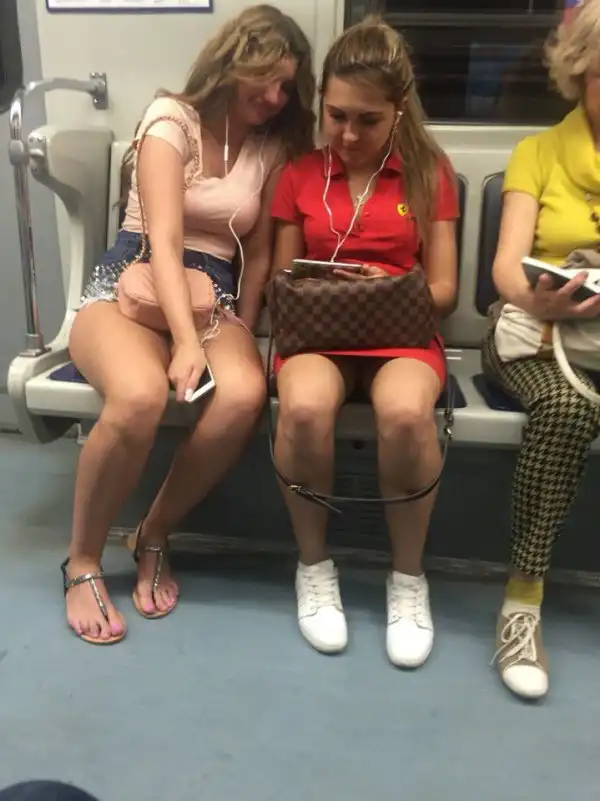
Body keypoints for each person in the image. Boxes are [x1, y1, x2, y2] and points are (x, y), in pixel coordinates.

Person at [62, 4, 316, 645]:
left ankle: (152, 533)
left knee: (244, 396)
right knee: (139, 396)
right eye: (266, 77)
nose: (275, 96)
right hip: (134, 277)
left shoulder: (272, 146)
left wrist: (246, 331)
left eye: (287, 86)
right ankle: (83, 560)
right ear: (232, 62)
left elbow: (257, 256)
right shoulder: (169, 119)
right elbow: (166, 241)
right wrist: (182, 341)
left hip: (214, 296)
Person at [270, 17, 459, 667]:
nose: (348, 135)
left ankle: (407, 578)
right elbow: (283, 279)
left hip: (399, 331)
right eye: (336, 116)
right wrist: (321, 282)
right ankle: (314, 567)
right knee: (303, 409)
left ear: (398, 111)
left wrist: (384, 285)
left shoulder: (428, 173)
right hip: (318, 331)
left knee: (405, 414)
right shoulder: (299, 174)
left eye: (368, 121)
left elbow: (443, 290)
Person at [482, 0, 600, 700]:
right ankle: (521, 604)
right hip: (535, 332)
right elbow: (505, 267)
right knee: (564, 410)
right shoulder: (539, 153)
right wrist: (540, 300)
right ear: (580, 73)